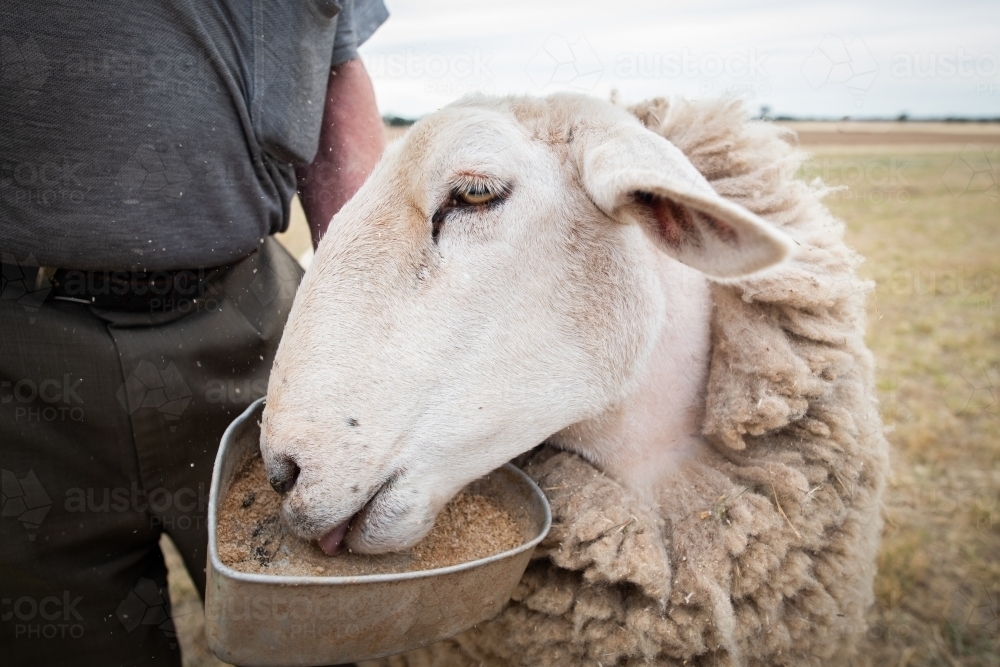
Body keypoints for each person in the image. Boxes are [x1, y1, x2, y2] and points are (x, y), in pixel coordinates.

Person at [0, 1, 388, 664]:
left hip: (254, 330)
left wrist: (377, 356)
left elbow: (334, 72)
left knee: (309, 636)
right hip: (21, 354)